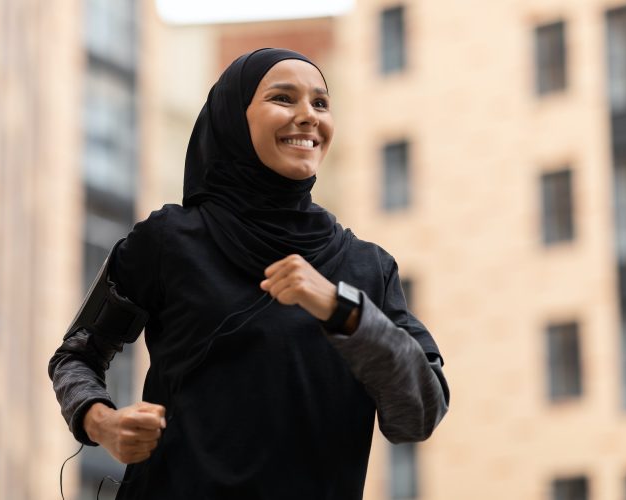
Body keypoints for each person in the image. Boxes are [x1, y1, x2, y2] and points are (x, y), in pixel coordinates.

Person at [49, 47, 449, 500]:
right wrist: (101, 421)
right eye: (284, 98)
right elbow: (75, 355)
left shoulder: (368, 270)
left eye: (320, 103)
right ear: (234, 118)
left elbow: (419, 413)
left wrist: (342, 310)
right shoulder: (169, 241)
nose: (308, 117)